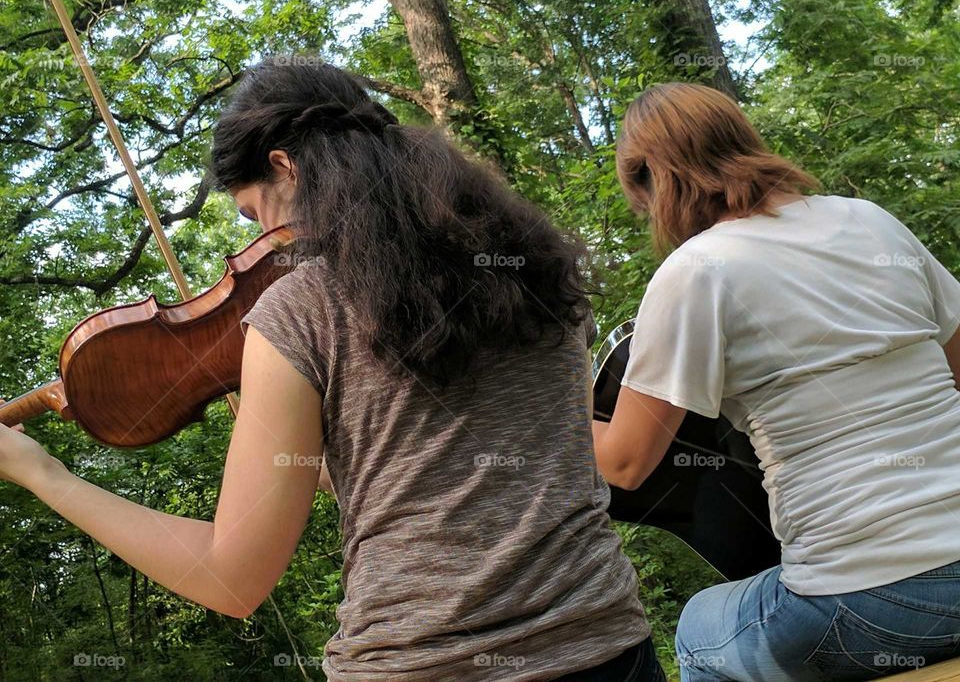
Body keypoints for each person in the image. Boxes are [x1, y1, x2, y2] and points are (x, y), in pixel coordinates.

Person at [0, 57, 666, 681]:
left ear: (287, 168)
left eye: (252, 213)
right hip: (611, 648)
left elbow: (233, 578)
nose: (255, 241)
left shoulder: (302, 305)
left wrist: (42, 474)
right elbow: (454, 470)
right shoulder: (533, 269)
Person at [592, 81, 960, 681]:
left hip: (873, 597)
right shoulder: (871, 222)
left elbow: (625, 464)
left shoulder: (695, 272)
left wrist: (552, 401)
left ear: (651, 179)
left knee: (700, 627)